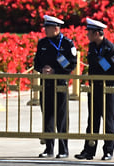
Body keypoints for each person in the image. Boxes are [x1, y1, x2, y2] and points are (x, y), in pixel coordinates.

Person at [75, 18, 114, 161]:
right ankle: (89, 150)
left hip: (108, 88)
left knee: (108, 120)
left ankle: (108, 150)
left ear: (97, 33)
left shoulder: (110, 49)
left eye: (89, 32)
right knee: (93, 120)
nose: (87, 35)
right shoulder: (92, 47)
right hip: (94, 88)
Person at [33, 15, 77, 158]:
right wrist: (43, 68)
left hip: (60, 84)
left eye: (48, 27)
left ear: (56, 28)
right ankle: (49, 148)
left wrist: (56, 71)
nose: (45, 30)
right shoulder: (42, 43)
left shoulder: (67, 44)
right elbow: (37, 62)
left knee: (61, 118)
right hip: (46, 84)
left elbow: (72, 64)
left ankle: (63, 149)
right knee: (47, 116)